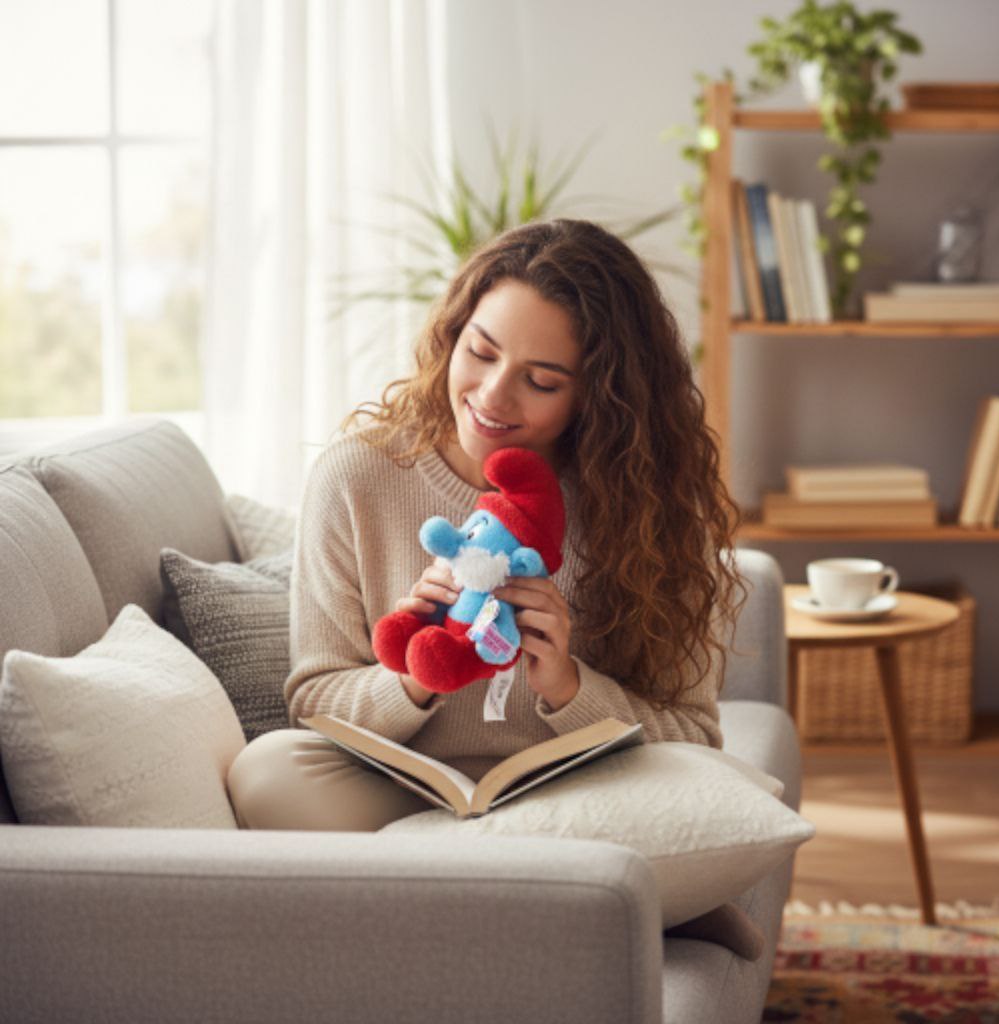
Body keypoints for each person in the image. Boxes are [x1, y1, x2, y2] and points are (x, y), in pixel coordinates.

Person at [227, 219, 762, 958]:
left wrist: (570, 686)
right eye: (480, 352)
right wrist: (413, 675)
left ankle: (462, 897)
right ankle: (615, 899)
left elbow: (695, 737)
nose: (491, 396)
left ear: (601, 396)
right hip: (404, 792)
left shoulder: (652, 504)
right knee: (268, 772)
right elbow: (314, 699)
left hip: (579, 795)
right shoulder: (358, 475)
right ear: (453, 333)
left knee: (722, 790)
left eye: (541, 381)